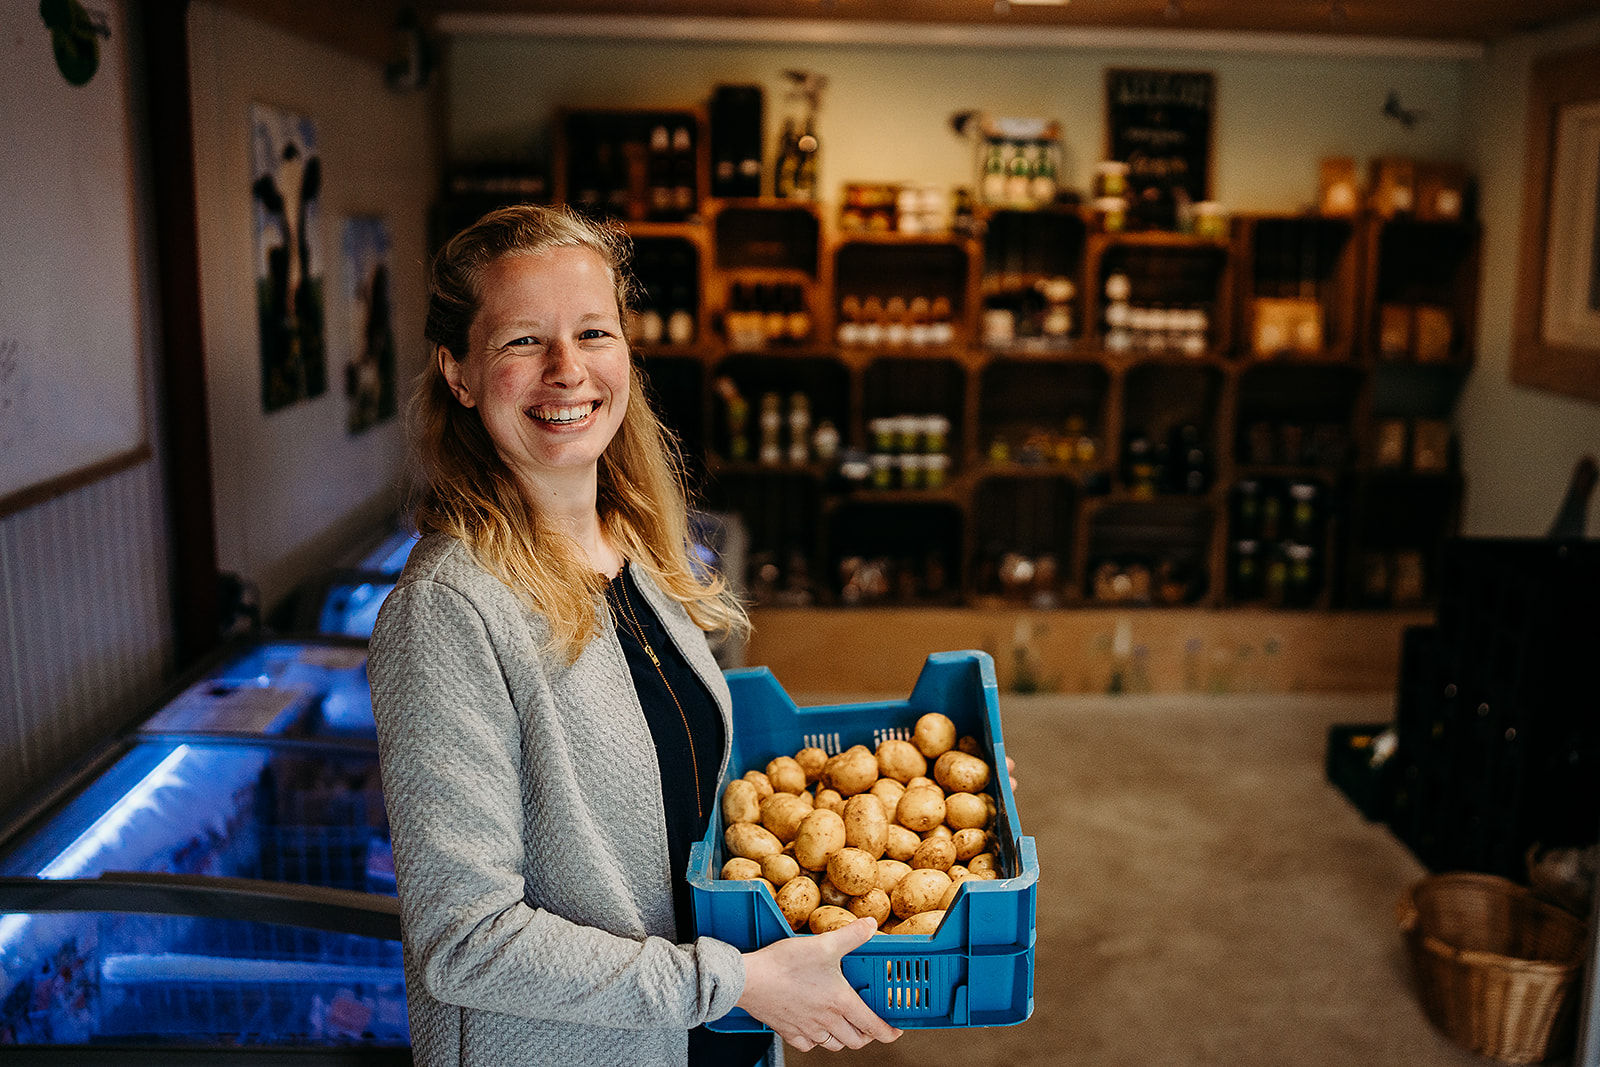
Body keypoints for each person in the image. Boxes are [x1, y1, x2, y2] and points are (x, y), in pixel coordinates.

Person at [367, 204, 903, 1067]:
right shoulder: (449, 608)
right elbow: (464, 940)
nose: (567, 370)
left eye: (593, 332)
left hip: (702, 1034)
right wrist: (730, 983)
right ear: (458, 372)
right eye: (520, 343)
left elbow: (676, 794)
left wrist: (871, 796)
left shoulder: (635, 547)